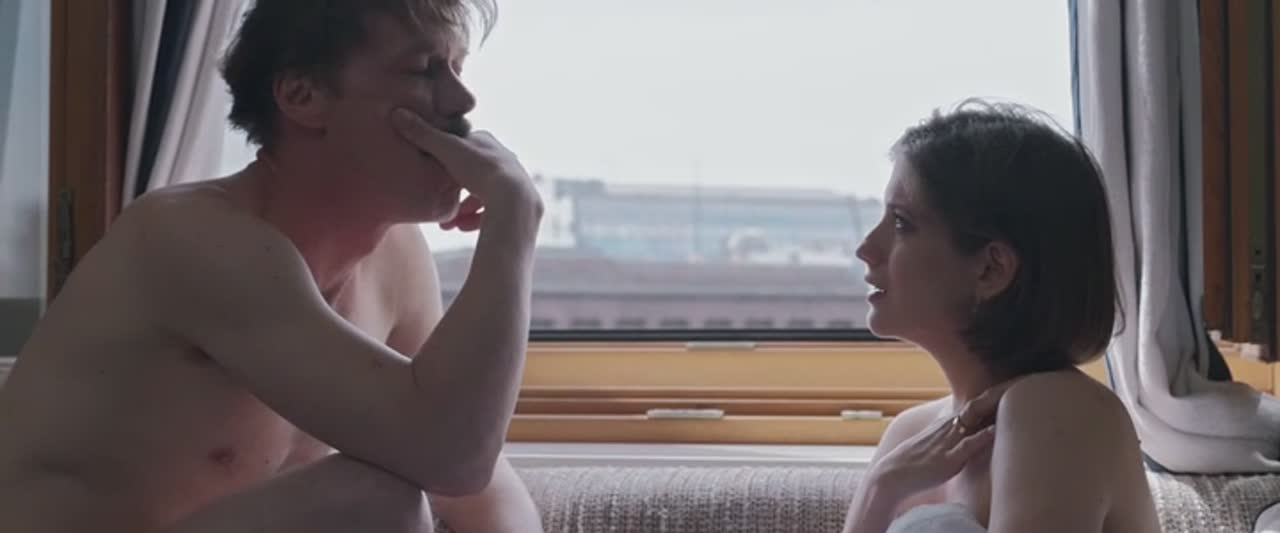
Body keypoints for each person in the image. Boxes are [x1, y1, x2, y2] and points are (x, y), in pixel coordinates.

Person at [0, 1, 545, 532]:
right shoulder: (192, 238)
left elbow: (477, 481)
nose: (463, 99)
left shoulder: (396, 259)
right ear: (303, 97)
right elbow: (453, 457)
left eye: (458, 68)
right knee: (373, 502)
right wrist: (512, 223)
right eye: (423, 69)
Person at [841, 101, 1161, 533]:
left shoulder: (1058, 409)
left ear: (991, 270)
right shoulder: (910, 434)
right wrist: (881, 486)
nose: (865, 248)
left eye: (901, 223)